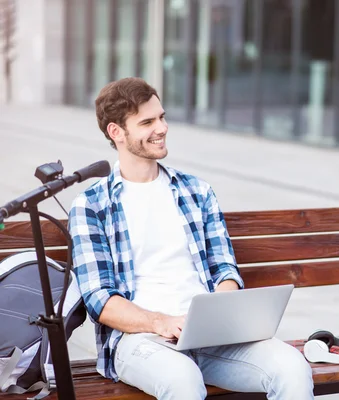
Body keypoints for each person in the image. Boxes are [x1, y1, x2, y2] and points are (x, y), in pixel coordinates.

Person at [68, 77, 314, 400]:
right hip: (140, 341)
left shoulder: (196, 192)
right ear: (117, 132)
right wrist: (161, 322)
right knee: (183, 380)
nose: (163, 127)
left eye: (162, 117)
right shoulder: (91, 206)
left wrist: (221, 311)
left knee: (292, 367)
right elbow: (101, 301)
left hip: (209, 336)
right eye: (148, 122)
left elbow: (224, 269)